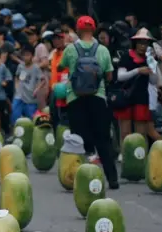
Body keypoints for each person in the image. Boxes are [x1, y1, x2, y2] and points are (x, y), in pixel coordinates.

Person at [59, 16, 117, 187]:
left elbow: (62, 67)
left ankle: (80, 178)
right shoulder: (103, 50)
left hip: (75, 98)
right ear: (94, 29)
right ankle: (112, 179)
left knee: (78, 140)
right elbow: (109, 75)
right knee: (103, 140)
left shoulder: (70, 49)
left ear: (77, 29)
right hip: (98, 98)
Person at [114, 28, 160, 145]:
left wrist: (152, 65)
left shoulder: (150, 59)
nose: (142, 46)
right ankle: (125, 156)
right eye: (140, 42)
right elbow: (120, 76)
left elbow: (154, 81)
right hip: (126, 97)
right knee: (125, 133)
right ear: (135, 43)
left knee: (141, 135)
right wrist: (138, 70)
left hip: (142, 98)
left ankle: (141, 159)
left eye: (145, 43)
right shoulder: (126, 56)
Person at [12, 44, 45, 122]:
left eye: (28, 55)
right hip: (19, 95)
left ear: (32, 56)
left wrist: (37, 89)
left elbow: (43, 80)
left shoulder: (36, 68)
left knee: (31, 117)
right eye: (24, 55)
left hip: (30, 96)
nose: (25, 57)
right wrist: (17, 87)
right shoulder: (20, 66)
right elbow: (17, 77)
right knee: (15, 114)